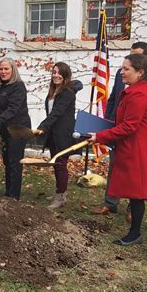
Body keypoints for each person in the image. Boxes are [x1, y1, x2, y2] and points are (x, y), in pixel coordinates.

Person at [89, 54, 147, 246]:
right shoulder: (137, 90)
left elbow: (129, 126)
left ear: (140, 73)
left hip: (139, 148)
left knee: (137, 192)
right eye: (122, 68)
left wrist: (99, 137)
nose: (122, 72)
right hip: (143, 145)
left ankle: (135, 234)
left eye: (126, 69)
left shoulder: (139, 94)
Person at [34, 62, 83, 209]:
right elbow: (52, 113)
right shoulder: (53, 92)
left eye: (59, 72)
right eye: (54, 72)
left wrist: (42, 126)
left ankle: (61, 197)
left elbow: (57, 113)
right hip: (54, 134)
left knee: (61, 164)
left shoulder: (67, 93)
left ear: (65, 75)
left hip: (64, 134)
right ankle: (58, 192)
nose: (56, 75)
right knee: (56, 163)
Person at [0, 58, 31, 201]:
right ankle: (8, 193)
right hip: (6, 129)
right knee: (7, 161)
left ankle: (14, 197)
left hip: (18, 129)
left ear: (13, 70)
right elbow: (1, 105)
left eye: (6, 69)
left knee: (14, 162)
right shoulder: (2, 87)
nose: (3, 72)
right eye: (1, 69)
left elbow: (13, 109)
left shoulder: (18, 86)